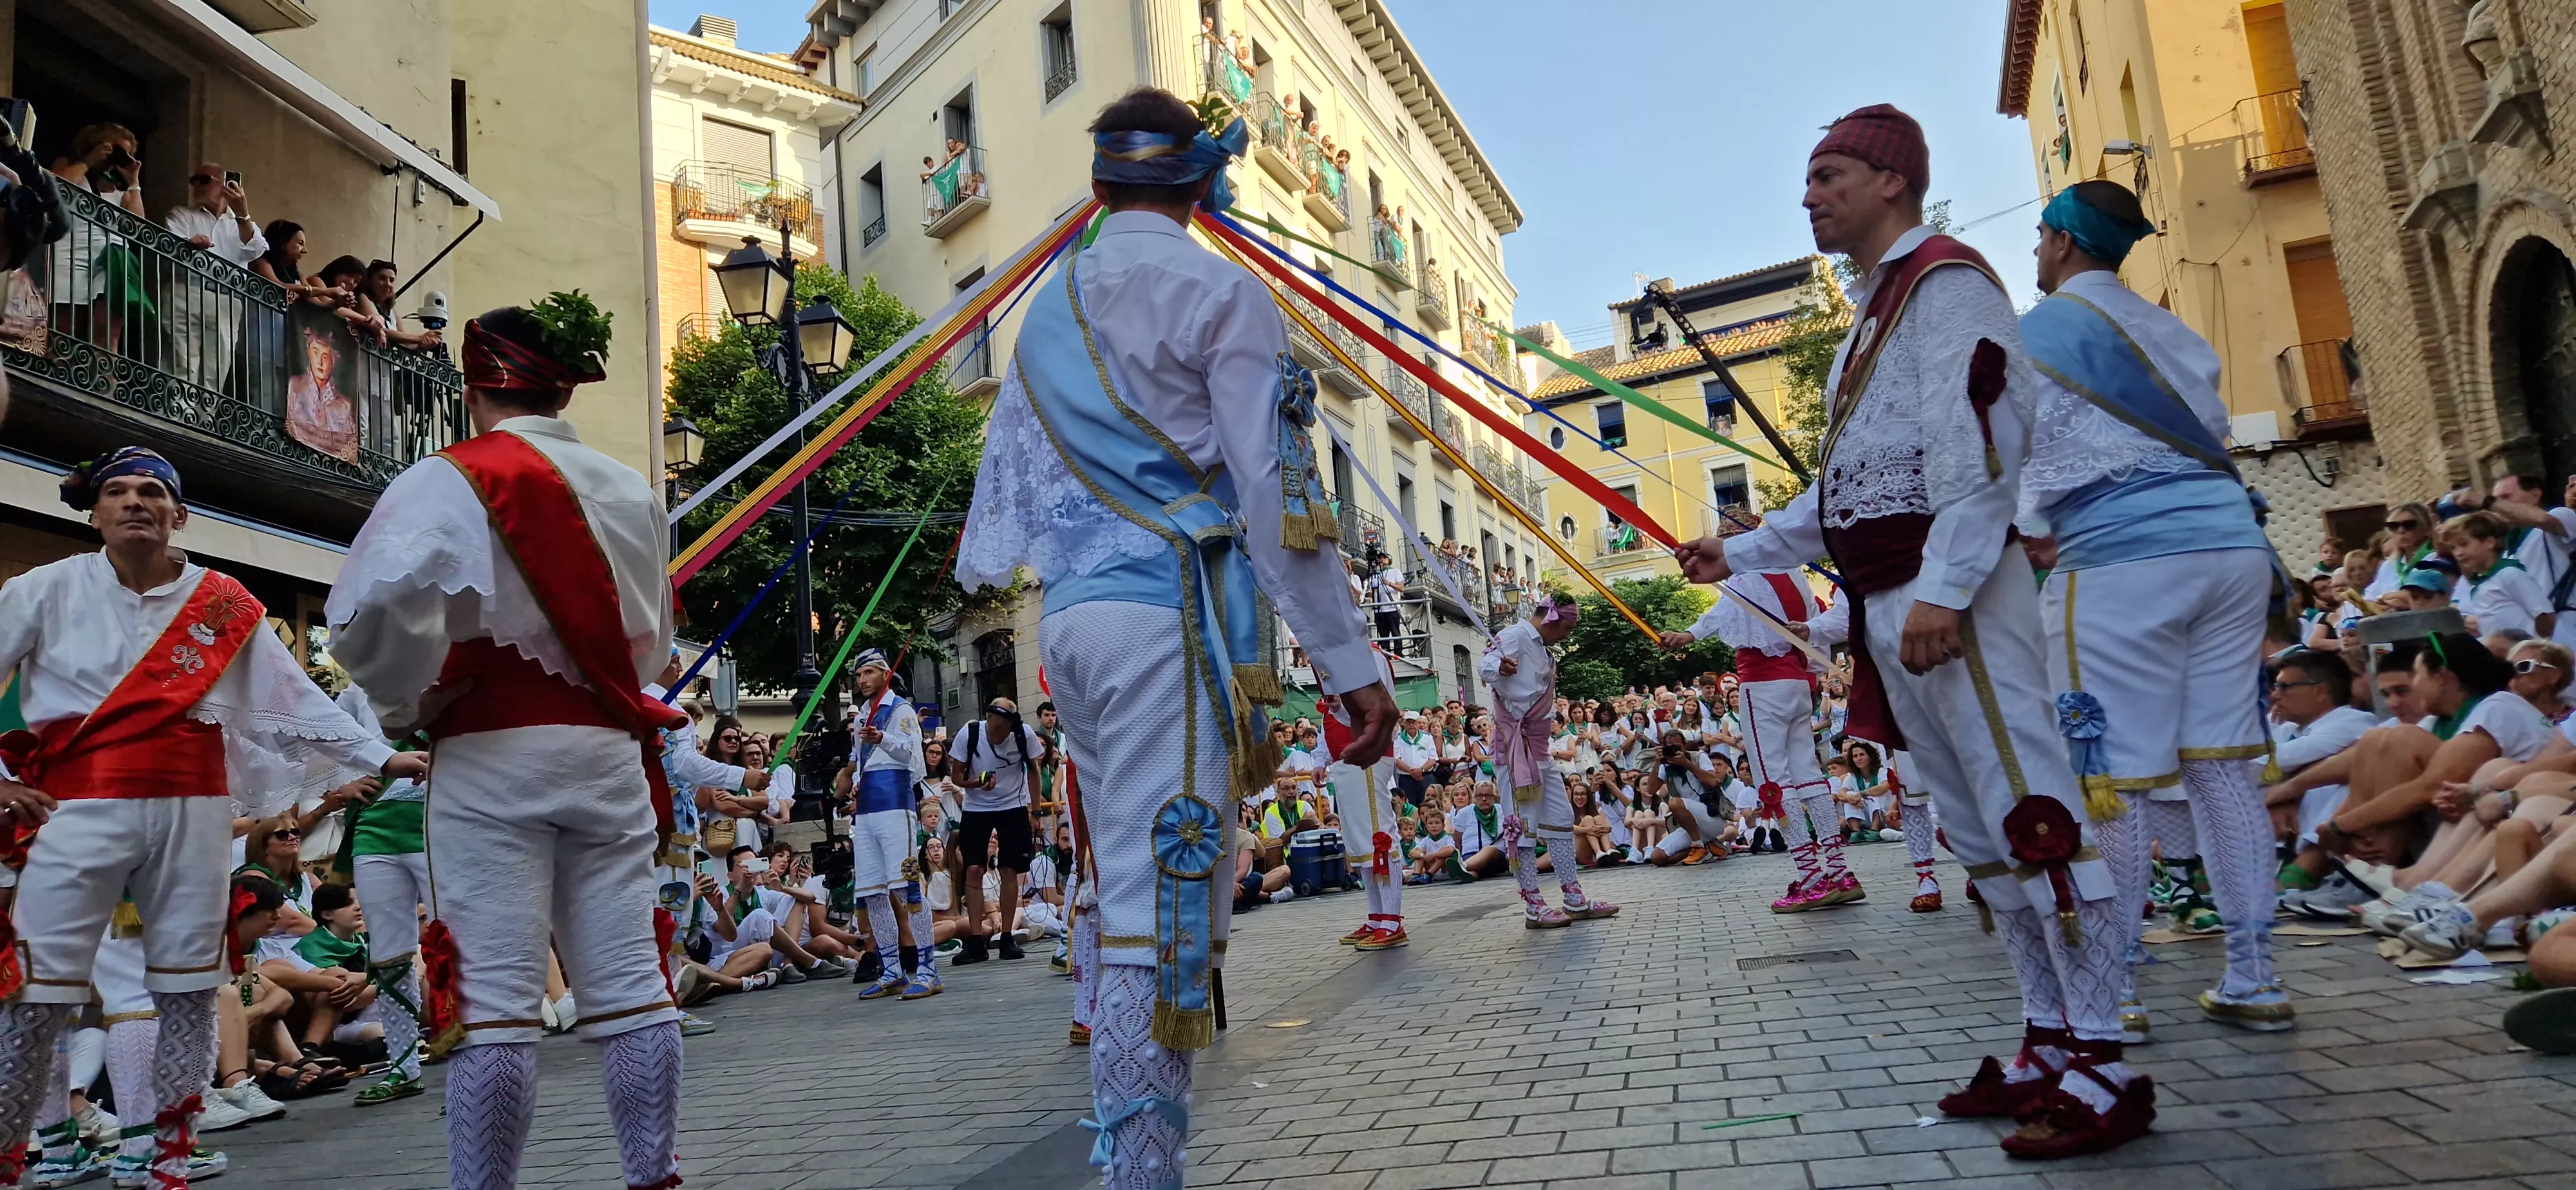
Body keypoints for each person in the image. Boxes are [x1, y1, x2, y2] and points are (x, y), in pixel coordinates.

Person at [1673, 106, 2148, 1158]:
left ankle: (2106, 1059)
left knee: (2033, 810)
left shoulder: (1948, 283)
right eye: (1809, 179)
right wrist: (1740, 551)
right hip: (1898, 602)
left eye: (1830, 174)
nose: (1811, 196)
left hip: (1951, 597)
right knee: (1984, 836)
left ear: (1892, 181)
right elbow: (1846, 487)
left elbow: (1978, 443)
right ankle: (2046, 1037)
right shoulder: (1871, 317)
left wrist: (1945, 585)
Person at [953, 86, 1396, 1190]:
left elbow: (1013, 494)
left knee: (1119, 891)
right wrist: (1352, 666)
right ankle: (1142, 1174)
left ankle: (1129, 1155)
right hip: (1168, 620)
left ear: (1101, 187)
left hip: (1074, 629)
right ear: (1205, 185)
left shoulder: (1046, 309)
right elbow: (1275, 501)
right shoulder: (1221, 292)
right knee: (1166, 904)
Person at [326, 293, 690, 1190]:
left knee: (494, 1009)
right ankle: (655, 1176)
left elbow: (368, 617)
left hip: (490, 753)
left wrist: (410, 703)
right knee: (631, 985)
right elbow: (651, 643)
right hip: (607, 749)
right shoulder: (630, 486)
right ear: (564, 386)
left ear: (473, 385)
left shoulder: (445, 477)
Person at [0, 448, 422, 1190]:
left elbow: (294, 699)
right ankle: (32, 1150)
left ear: (180, 514)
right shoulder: (43, 588)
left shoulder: (223, 602)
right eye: (119, 491)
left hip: (193, 809)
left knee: (185, 987)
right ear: (95, 513)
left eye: (154, 492)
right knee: (40, 987)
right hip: (76, 808)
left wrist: (379, 759)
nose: (136, 502)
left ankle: (159, 1149)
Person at [2015, 178, 2290, 1037]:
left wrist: (2022, 527)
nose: (2032, 254)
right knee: (2220, 766)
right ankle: (2256, 976)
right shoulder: (2175, 328)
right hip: (2233, 548)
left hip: (2123, 561)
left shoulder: (2038, 334)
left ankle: (2117, 984)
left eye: (2037, 239)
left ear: (2062, 242)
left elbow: (2015, 458)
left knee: (2119, 782)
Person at [1660, 571, 1852, 907]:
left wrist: (1687, 635)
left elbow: (1722, 611)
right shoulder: (1794, 575)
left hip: (1763, 686)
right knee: (1808, 774)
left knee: (1772, 781)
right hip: (1797, 683)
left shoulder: (1748, 576)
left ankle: (1811, 878)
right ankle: (1839, 872)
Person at [1479, 594, 1619, 926]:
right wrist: (1498, 666)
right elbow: (1486, 664)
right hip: (1515, 747)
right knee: (1522, 826)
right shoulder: (1514, 635)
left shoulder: (1541, 646)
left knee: (1559, 817)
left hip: (1539, 747)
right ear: (1552, 619)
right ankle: (1533, 904)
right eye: (1568, 628)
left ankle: (1574, 897)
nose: (1568, 635)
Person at [838, 650, 940, 1000]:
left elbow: (914, 756)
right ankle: (892, 969)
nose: (863, 680)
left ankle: (928, 968)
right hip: (865, 812)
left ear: (885, 674)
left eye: (869, 673)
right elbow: (858, 762)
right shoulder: (862, 715)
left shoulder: (901, 711)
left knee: (906, 887)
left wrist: (883, 739)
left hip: (896, 808)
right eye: (858, 675)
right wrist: (853, 781)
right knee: (871, 892)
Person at [947, 697, 1047, 965]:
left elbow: (1034, 771)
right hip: (977, 807)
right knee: (974, 869)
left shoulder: (1023, 735)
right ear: (988, 720)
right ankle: (976, 941)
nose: (1001, 736)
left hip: (1012, 805)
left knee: (1009, 869)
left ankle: (1006, 936)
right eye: (997, 729)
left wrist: (1035, 811)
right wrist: (976, 784)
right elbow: (956, 776)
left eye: (1006, 730)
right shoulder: (970, 734)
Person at [163, 165, 267, 393]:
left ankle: (205, 419)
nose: (196, 186)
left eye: (203, 179)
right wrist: (189, 245)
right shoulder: (182, 214)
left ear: (225, 183)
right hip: (186, 291)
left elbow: (256, 249)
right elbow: (170, 245)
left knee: (218, 363)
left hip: (225, 300)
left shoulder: (240, 223)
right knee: (182, 359)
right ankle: (179, 414)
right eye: (194, 181)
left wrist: (243, 214)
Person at [1320, 690, 1406, 949]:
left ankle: (1392, 919)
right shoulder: (1334, 665)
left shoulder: (1368, 660)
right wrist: (1322, 760)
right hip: (1345, 763)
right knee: (1361, 844)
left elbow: (1381, 710)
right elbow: (1331, 719)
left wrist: (1338, 708)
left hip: (1369, 755)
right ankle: (1378, 916)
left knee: (1379, 838)